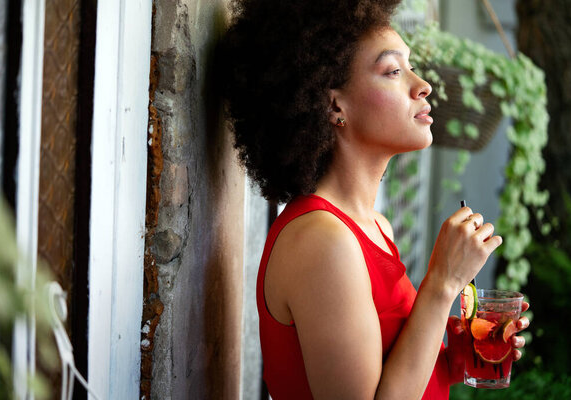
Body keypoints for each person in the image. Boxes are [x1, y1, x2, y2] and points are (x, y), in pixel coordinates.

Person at [219, 1, 530, 399]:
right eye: (393, 71)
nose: (422, 85)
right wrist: (442, 284)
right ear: (334, 105)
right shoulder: (321, 240)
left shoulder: (373, 226)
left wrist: (449, 363)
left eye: (411, 66)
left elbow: (394, 378)